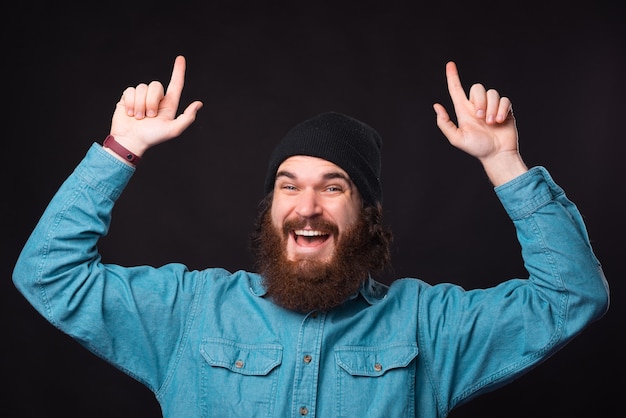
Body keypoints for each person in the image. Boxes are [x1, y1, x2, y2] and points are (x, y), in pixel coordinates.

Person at [13, 55, 609, 417]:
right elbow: (47, 274)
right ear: (271, 206)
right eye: (288, 185)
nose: (307, 208)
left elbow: (571, 297)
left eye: (333, 187)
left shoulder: (428, 324)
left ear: (366, 213)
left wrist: (505, 162)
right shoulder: (190, 312)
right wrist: (124, 148)